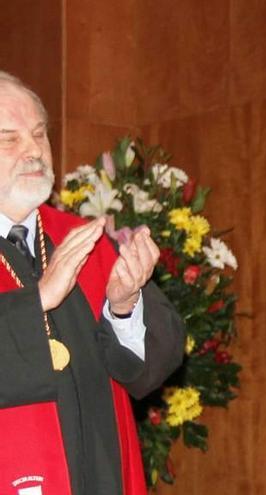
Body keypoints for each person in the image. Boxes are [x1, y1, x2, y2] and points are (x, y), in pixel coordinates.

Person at [0, 71, 184, 495]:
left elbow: (150, 371)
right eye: (11, 139)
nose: (33, 151)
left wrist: (124, 306)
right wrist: (38, 301)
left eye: (40, 134)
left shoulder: (83, 240)